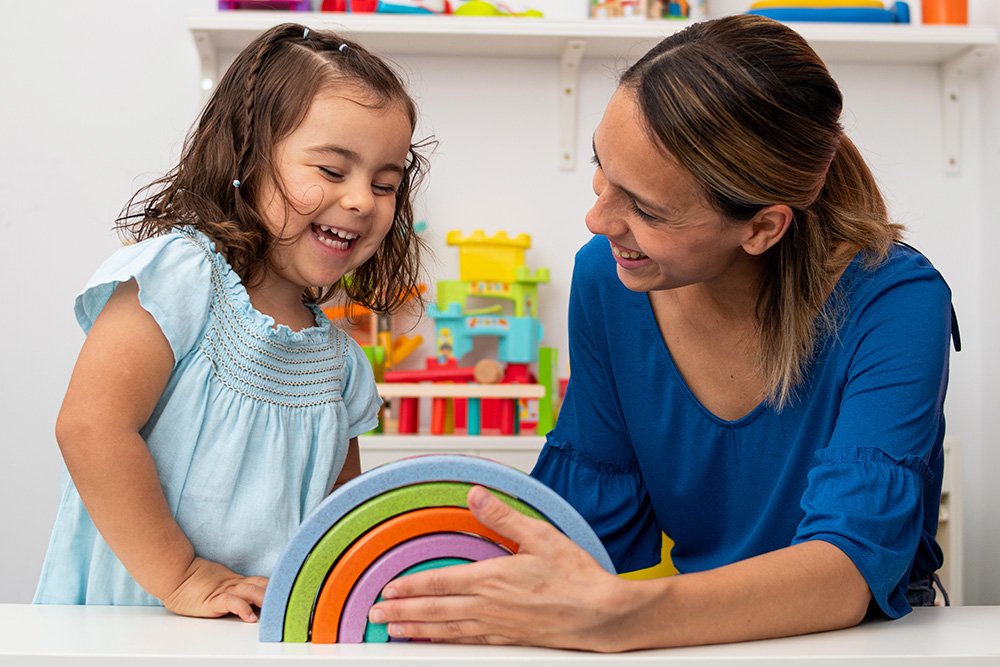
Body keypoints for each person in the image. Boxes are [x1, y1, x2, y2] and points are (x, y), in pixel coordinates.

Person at [367, 14, 956, 651]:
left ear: (762, 227)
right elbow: (589, 528)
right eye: (602, 169)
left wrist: (623, 616)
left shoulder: (897, 301)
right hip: (692, 639)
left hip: (867, 648)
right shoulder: (607, 280)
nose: (597, 219)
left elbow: (848, 570)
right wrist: (418, 577)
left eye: (645, 208)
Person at [33, 23, 428, 623]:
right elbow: (91, 428)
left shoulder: (341, 365)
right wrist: (183, 576)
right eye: (330, 170)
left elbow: (336, 523)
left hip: (254, 634)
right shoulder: (180, 277)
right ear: (246, 157)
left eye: (385, 184)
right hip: (130, 622)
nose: (361, 201)